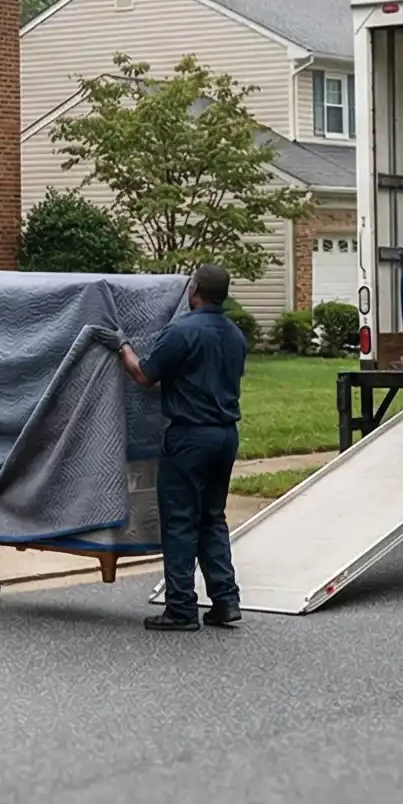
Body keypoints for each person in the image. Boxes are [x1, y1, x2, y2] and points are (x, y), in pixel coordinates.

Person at [120, 263, 246, 632]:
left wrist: (122, 346)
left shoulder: (182, 331)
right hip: (225, 436)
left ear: (195, 290)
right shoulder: (235, 335)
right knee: (212, 517)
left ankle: (180, 608)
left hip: (190, 437)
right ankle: (225, 601)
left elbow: (144, 374)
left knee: (179, 521)